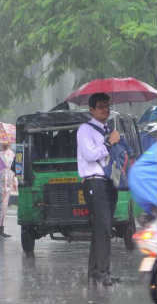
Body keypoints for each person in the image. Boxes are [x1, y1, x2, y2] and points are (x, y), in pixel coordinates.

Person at [76, 93, 120, 287]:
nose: (105, 110)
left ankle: (96, 271)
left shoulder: (109, 129)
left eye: (107, 106)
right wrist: (109, 143)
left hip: (109, 182)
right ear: (91, 110)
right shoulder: (85, 130)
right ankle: (102, 272)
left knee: (102, 229)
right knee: (103, 228)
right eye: (101, 106)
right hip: (95, 183)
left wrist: (117, 142)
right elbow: (90, 154)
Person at [0, 142, 15, 237]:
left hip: (7, 183)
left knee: (4, 207)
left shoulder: (11, 154)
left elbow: (14, 168)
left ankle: (1, 228)